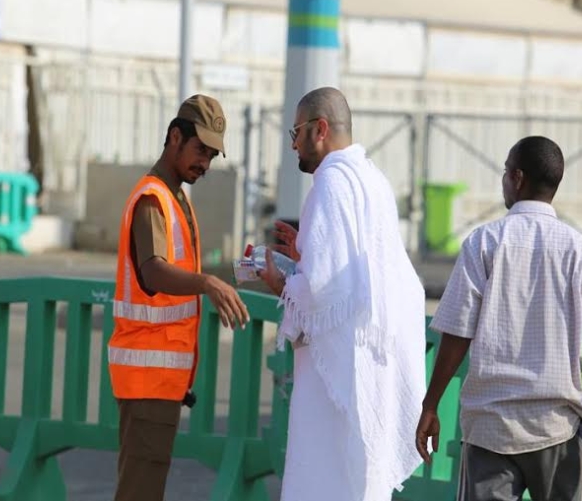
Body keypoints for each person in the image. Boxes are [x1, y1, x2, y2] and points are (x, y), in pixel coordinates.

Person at [416, 136, 582, 501]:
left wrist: (431, 403)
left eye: (505, 171)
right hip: (558, 426)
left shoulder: (483, 243)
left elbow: (457, 332)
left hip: (490, 428)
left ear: (517, 178)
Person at [258, 86, 426, 501]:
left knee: (324, 476)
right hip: (369, 361)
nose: (293, 145)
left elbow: (320, 291)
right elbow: (356, 273)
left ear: (319, 129)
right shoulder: (373, 178)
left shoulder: (331, 182)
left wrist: (280, 283)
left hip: (336, 371)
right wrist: (306, 253)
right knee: (359, 479)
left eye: (296, 132)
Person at [108, 94, 250, 501]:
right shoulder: (154, 199)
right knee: (140, 491)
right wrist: (207, 283)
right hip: (148, 379)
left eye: (212, 155)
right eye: (200, 150)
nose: (205, 163)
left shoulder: (173, 196)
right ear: (175, 137)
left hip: (158, 380)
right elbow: (153, 271)